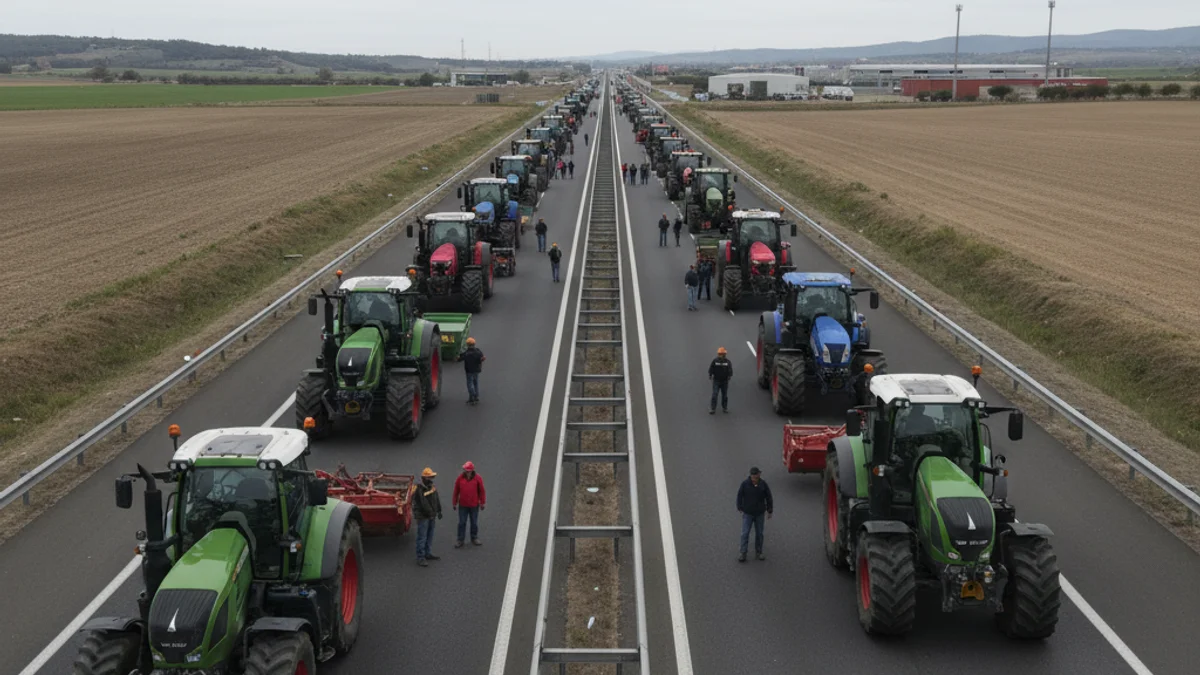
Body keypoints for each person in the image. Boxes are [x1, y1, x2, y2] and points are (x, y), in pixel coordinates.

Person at [735, 467, 773, 562]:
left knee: (759, 533)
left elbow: (768, 497)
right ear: (751, 476)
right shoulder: (745, 484)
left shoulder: (763, 484)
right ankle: (743, 552)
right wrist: (739, 506)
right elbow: (740, 495)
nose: (756, 477)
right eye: (754, 476)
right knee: (745, 533)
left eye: (757, 475)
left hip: (759, 513)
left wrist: (769, 510)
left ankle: (759, 552)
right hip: (748, 513)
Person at [413, 467, 443, 567]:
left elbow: (436, 498)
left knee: (429, 535)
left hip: (431, 515)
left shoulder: (432, 486)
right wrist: (431, 514)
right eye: (429, 477)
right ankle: (420, 557)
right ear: (424, 478)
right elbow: (423, 504)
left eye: (431, 477)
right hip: (423, 516)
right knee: (422, 537)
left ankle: (427, 553)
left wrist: (439, 510)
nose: (431, 478)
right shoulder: (419, 489)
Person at [453, 461, 486, 547]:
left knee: (474, 522)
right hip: (463, 505)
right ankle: (460, 539)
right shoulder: (460, 478)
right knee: (462, 523)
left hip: (474, 505)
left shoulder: (478, 478)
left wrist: (482, 502)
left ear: (471, 471)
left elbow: (482, 491)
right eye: (465, 470)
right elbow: (456, 491)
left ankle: (474, 537)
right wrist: (454, 502)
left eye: (468, 471)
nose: (466, 472)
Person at [457, 337, 485, 404]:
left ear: (467, 344)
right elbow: (482, 357)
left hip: (469, 371)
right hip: (476, 370)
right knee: (475, 383)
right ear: (474, 344)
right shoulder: (478, 351)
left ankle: (473, 395)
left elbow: (459, 359)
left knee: (469, 384)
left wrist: (457, 357)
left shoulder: (466, 353)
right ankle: (474, 398)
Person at [709, 346, 732, 413]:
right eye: (720, 354)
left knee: (724, 395)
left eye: (722, 354)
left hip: (724, 381)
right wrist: (710, 374)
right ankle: (713, 408)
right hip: (716, 381)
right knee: (715, 394)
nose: (721, 355)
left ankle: (725, 408)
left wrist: (729, 375)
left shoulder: (728, 362)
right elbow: (711, 368)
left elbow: (730, 370)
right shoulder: (715, 361)